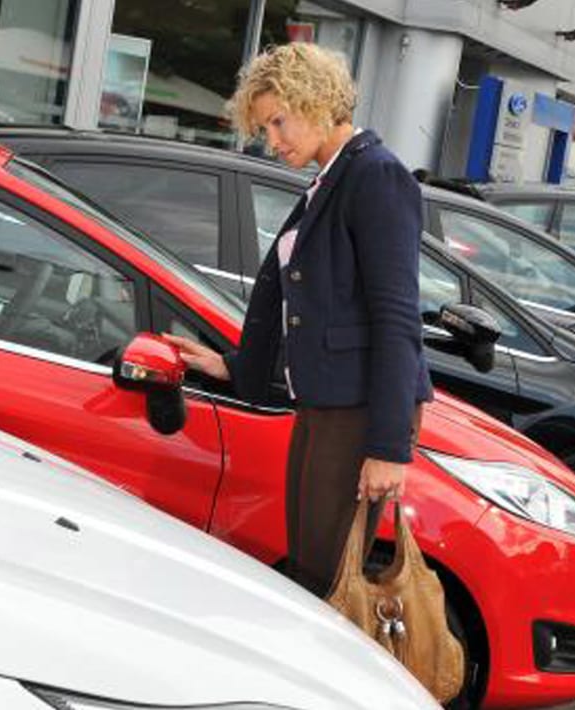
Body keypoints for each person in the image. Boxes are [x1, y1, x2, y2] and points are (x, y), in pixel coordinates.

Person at [163, 43, 432, 598]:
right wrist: (234, 365)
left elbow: (397, 316)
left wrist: (387, 448)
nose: (273, 140)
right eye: (265, 128)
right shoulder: (331, 178)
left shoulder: (376, 176)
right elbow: (307, 310)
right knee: (313, 564)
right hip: (327, 406)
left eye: (278, 122)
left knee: (328, 577)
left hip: (357, 413)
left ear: (316, 100)